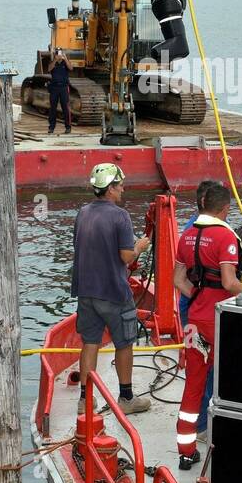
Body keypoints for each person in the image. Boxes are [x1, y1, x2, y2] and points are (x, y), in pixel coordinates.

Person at [71, 163, 152, 416]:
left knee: (90, 343)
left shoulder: (83, 212)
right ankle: (126, 397)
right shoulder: (120, 216)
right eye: (120, 185)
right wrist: (140, 246)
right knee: (124, 343)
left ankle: (85, 399)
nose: (123, 189)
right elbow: (126, 256)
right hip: (114, 293)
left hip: (86, 291)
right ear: (110, 189)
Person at [173, 182, 242, 469]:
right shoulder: (225, 236)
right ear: (225, 209)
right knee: (229, 380)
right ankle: (228, 444)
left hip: (195, 322)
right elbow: (229, 282)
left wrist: (198, 295)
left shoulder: (187, 234)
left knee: (193, 385)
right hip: (220, 320)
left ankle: (186, 451)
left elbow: (179, 280)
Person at [47, 48, 72, 135]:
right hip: (54, 87)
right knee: (52, 108)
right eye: (58, 54)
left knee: (65, 107)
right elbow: (49, 69)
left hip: (64, 88)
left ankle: (68, 127)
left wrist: (65, 58)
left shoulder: (65, 62)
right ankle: (51, 127)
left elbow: (71, 68)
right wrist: (55, 60)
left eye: (60, 53)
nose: (59, 55)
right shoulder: (53, 62)